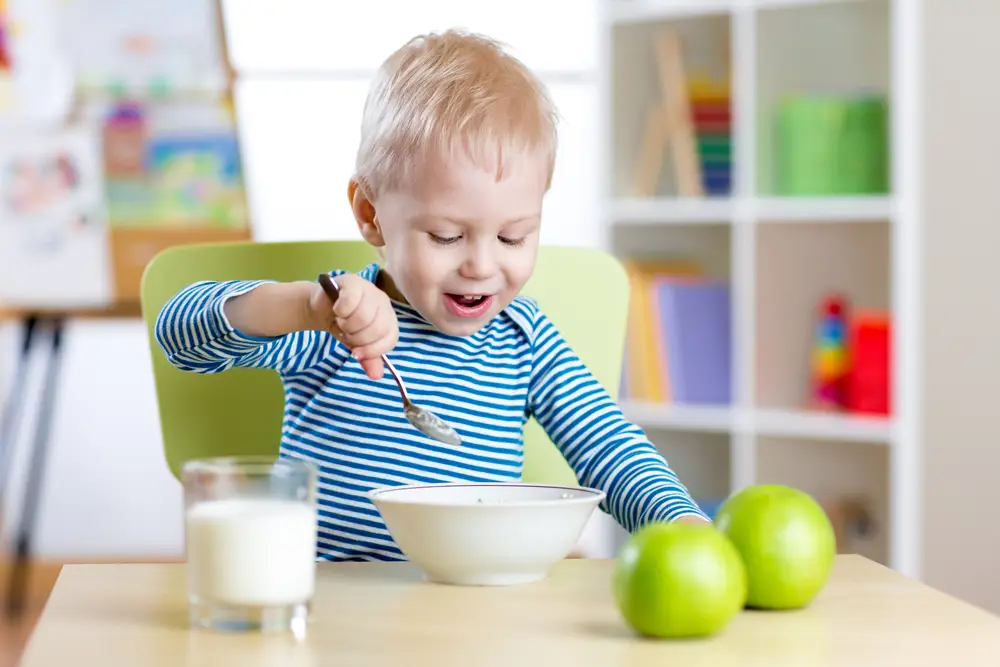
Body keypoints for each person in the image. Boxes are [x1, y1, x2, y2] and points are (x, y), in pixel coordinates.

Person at [154, 29, 709, 562]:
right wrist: (304, 307)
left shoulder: (525, 337)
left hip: (475, 612)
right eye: (447, 236)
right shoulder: (335, 320)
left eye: (514, 236)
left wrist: (682, 523)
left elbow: (607, 445)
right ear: (371, 214)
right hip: (334, 605)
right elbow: (178, 332)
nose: (482, 265)